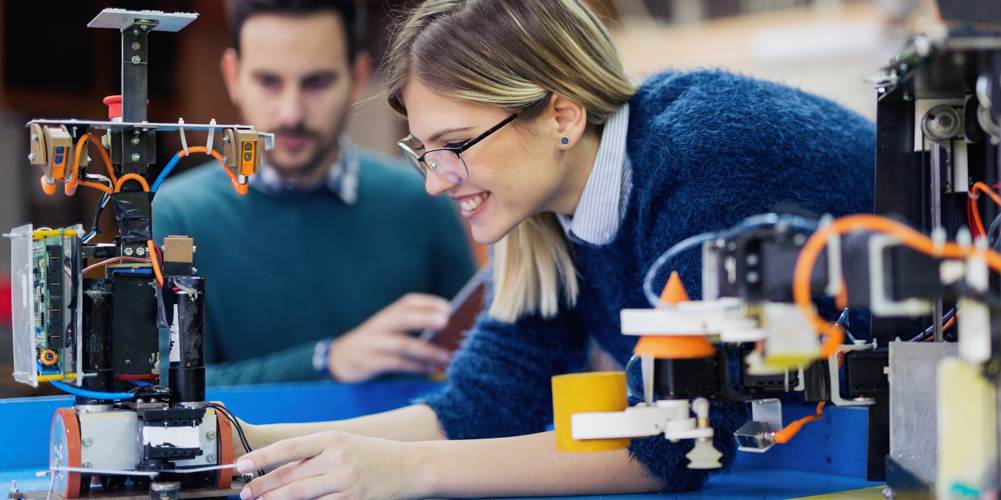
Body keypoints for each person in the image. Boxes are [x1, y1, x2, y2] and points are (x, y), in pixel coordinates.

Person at [231, 0, 875, 497]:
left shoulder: (703, 155)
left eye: (455, 145)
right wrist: (250, 446)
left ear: (562, 117)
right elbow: (482, 405)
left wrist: (408, 471)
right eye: (423, 151)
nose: (434, 180)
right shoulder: (544, 213)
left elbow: (669, 440)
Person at [152, 0, 476, 385]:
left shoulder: (424, 196)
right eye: (268, 82)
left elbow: (475, 360)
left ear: (357, 77)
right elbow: (168, 388)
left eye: (317, 82)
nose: (291, 113)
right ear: (232, 75)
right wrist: (327, 361)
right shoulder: (177, 217)